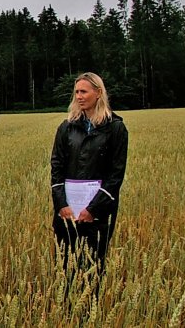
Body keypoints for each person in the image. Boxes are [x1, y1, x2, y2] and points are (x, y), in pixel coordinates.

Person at [50, 72, 128, 279]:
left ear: (98, 93)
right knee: (65, 267)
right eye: (76, 92)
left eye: (84, 91)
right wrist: (61, 205)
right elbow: (56, 167)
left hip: (98, 215)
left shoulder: (116, 128)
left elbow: (116, 175)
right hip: (67, 212)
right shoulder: (66, 127)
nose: (79, 96)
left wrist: (93, 209)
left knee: (93, 268)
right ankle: (66, 310)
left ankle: (89, 310)